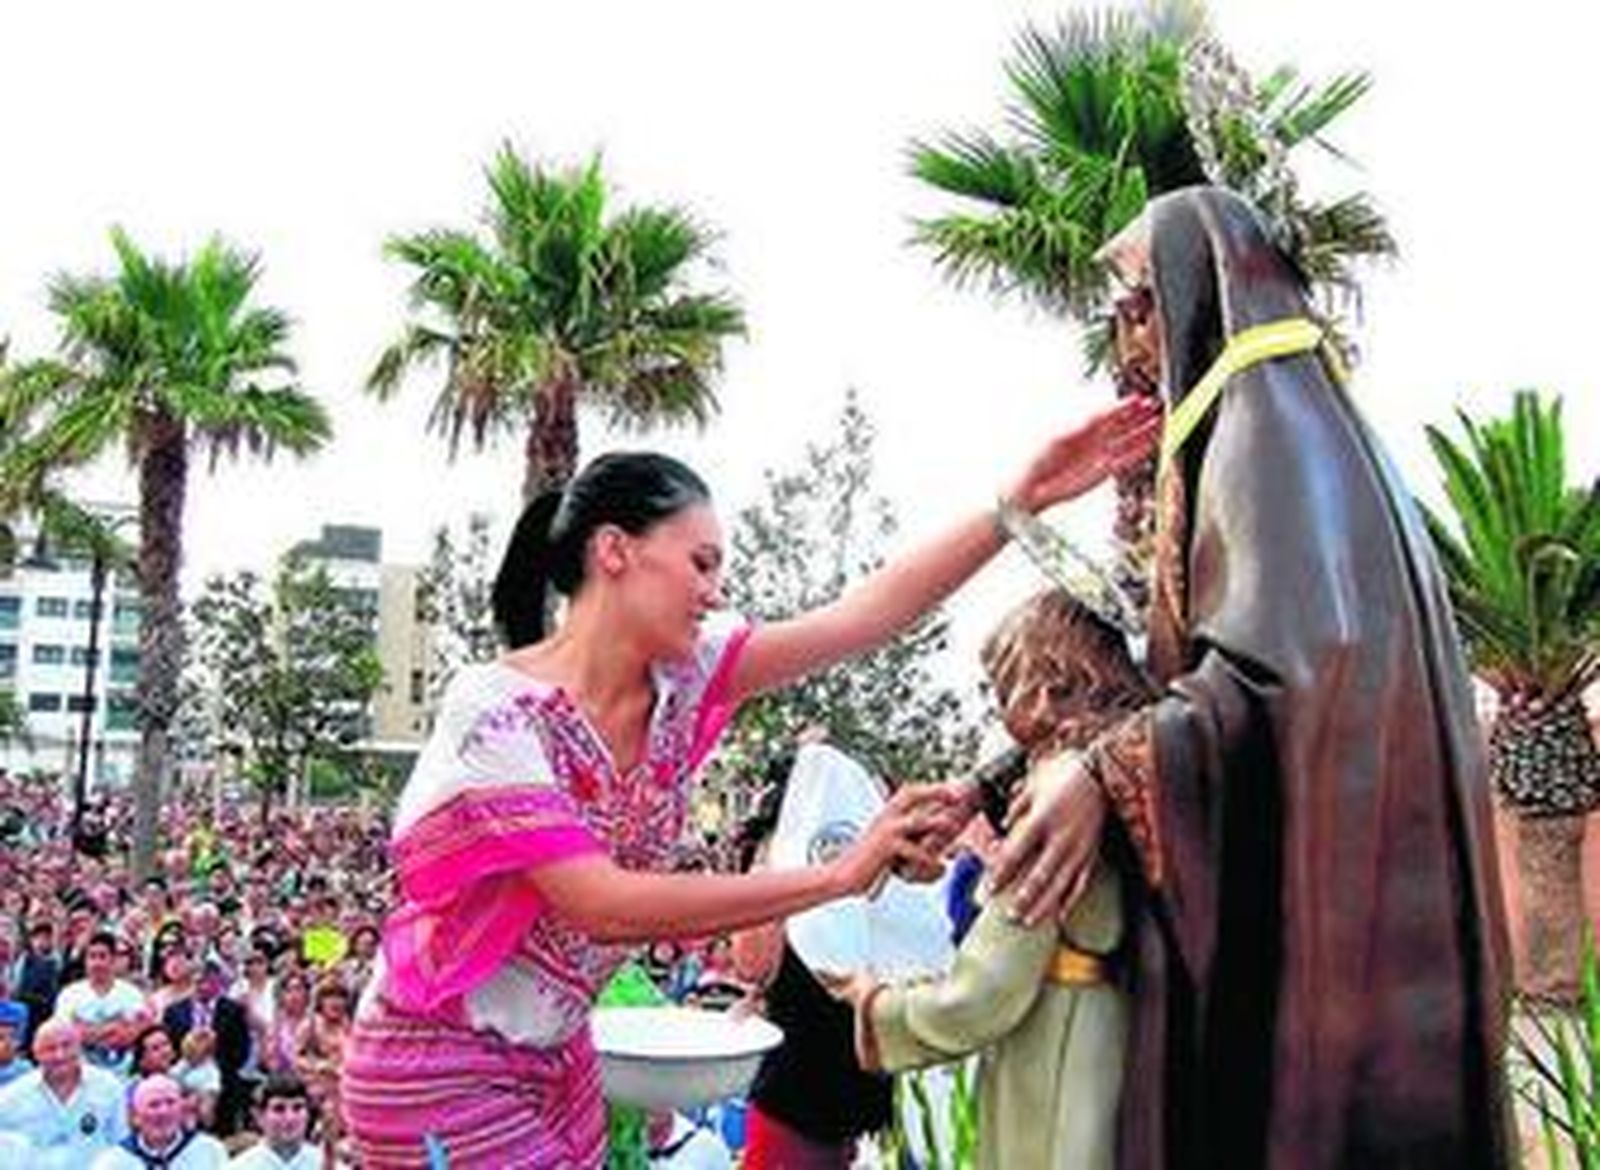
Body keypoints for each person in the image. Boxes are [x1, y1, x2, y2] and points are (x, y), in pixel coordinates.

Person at [341, 408, 1160, 1170]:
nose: (715, 589)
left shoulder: (686, 677)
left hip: (560, 1064)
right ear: (615, 550)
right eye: (701, 562)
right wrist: (842, 876)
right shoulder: (493, 712)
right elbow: (602, 903)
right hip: (439, 1070)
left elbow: (866, 616)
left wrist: (1017, 503)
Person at [990, 186, 1515, 1169]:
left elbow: (1279, 686)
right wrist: (1002, 780)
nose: (1126, 339)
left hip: (1330, 968)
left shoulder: (1261, 441)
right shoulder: (1302, 435)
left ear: (1199, 294)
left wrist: (1102, 772)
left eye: (1136, 306)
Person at [830, 590, 1150, 1170]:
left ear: (1047, 681)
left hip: (1053, 1046)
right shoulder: (1113, 779)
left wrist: (875, 1003)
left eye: (1004, 686)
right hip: (1105, 1031)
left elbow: (989, 985)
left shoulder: (1059, 793)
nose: (1000, 706)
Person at [729, 774, 894, 1170]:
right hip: (796, 1101)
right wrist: (779, 862)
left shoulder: (886, 875)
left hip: (862, 1099)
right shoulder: (778, 872)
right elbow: (752, 966)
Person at [0, 1019, 128, 1167]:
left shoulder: (108, 1087)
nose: (59, 1055)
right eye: (50, 1048)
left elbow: (121, 1143)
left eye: (66, 1046)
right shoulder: (11, 1098)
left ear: (79, 1048)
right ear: (35, 1053)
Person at [163, 956, 251, 1135]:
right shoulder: (174, 1011)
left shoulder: (233, 1010)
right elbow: (169, 1047)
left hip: (223, 1086)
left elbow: (241, 1049)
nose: (204, 987)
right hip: (183, 1081)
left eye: (209, 982)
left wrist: (218, 1070)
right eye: (198, 981)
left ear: (218, 983)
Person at [54, 930, 152, 1075]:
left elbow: (136, 1033)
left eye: (102, 956)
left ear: (113, 960)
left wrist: (87, 1029)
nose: (97, 963)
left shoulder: (132, 994)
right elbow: (64, 1034)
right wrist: (114, 1027)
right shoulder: (69, 994)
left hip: (123, 1071)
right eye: (92, 957)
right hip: (79, 1071)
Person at [89, 1073, 230, 1169]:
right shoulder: (114, 1162)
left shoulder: (210, 1151)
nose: (164, 1112)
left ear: (181, 1109)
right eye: (154, 1105)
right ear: (136, 1117)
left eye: (171, 1102)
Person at [227, 1074, 328, 1169]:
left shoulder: (326, 1164)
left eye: (297, 1108)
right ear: (259, 1116)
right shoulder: (240, 1167)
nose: (290, 1118)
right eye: (279, 1109)